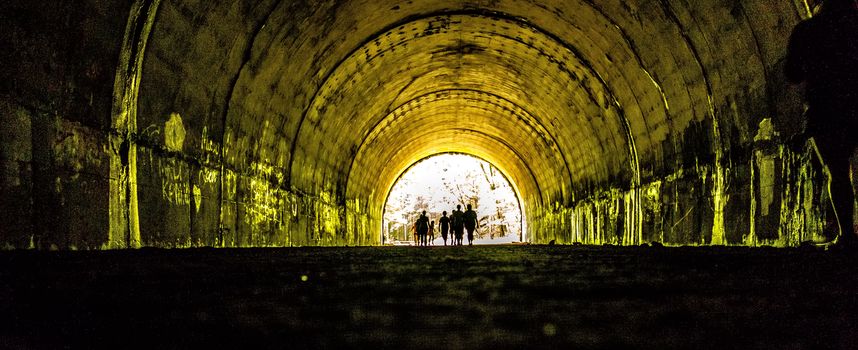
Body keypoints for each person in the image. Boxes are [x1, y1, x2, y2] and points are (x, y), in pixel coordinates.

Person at [786, 0, 858, 248]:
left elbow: (792, 73)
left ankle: (847, 234)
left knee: (838, 173)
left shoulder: (807, 31)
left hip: (826, 110)